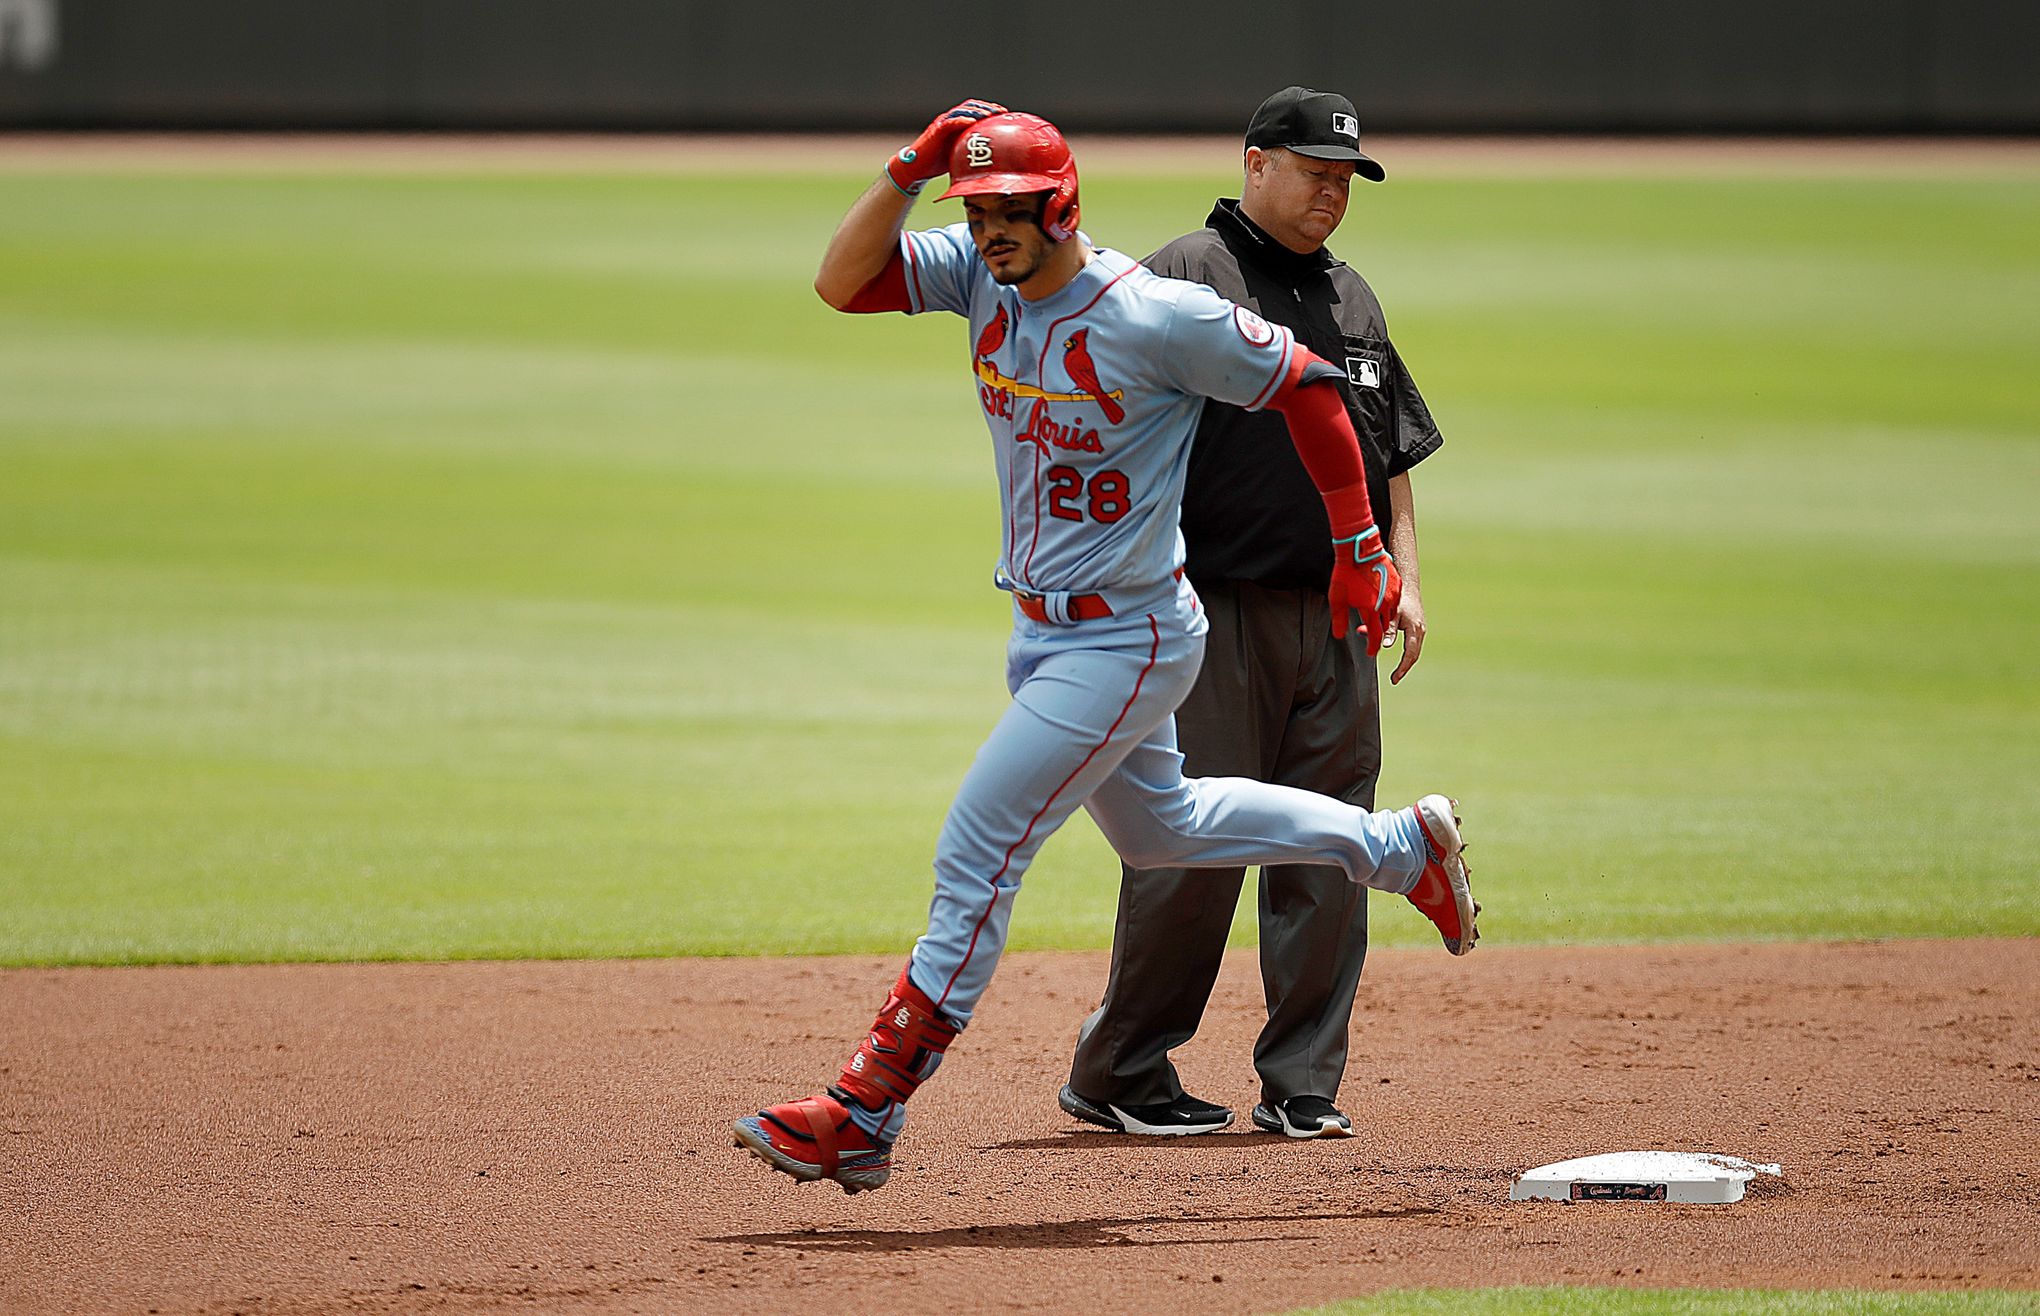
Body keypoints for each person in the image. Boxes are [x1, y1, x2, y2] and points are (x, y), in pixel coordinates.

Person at [730, 102, 1477, 1196]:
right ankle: (1401, 847)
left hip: (1128, 636)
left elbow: (1312, 385)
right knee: (1169, 827)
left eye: (1009, 208)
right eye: (975, 207)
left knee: (978, 850)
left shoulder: (1155, 314)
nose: (988, 228)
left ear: (1063, 203)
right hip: (1045, 635)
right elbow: (843, 280)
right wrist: (910, 165)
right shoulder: (982, 274)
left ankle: (865, 1107)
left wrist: (1360, 544)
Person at [1061, 87, 1453, 1143]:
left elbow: (1392, 455)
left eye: (1346, 178)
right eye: (1315, 170)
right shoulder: (1189, 274)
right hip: (1210, 612)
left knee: (1336, 855)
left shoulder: (1352, 300)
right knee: (1188, 852)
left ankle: (1303, 1081)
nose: (1332, 190)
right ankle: (1123, 1068)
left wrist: (1406, 574)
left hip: (1335, 620)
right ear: (1254, 164)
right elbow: (1099, 418)